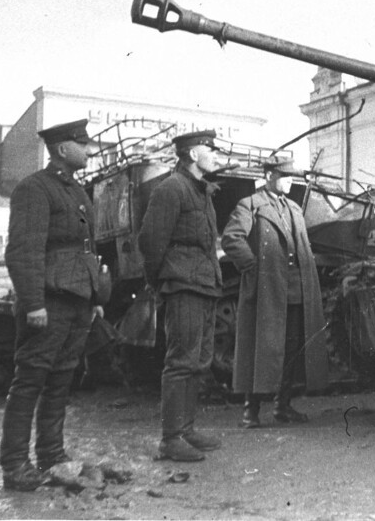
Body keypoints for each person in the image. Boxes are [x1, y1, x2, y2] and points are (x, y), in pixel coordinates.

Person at [0, 119, 106, 491]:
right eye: (82, 144)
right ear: (62, 149)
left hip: (76, 300)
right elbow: (23, 250)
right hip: (48, 300)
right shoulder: (35, 188)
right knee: (30, 380)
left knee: (61, 380)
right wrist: (32, 303)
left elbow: (86, 249)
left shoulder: (75, 189)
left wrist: (94, 298)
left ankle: (51, 455)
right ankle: (15, 464)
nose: (89, 150)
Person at [221, 158, 328, 428]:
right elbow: (232, 238)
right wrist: (252, 266)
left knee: (291, 349)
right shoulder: (250, 205)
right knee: (260, 347)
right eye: (284, 176)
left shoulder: (294, 208)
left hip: (296, 288)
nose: (290, 181)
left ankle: (283, 406)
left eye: (292, 177)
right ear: (269, 175)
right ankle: (251, 411)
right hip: (266, 291)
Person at [138, 130, 224, 462]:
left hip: (203, 285)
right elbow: (151, 241)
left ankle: (186, 430)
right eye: (210, 150)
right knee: (181, 362)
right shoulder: (171, 188)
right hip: (183, 285)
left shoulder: (201, 191)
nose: (215, 155)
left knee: (199, 361)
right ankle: (171, 438)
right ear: (192, 154)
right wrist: (159, 282)